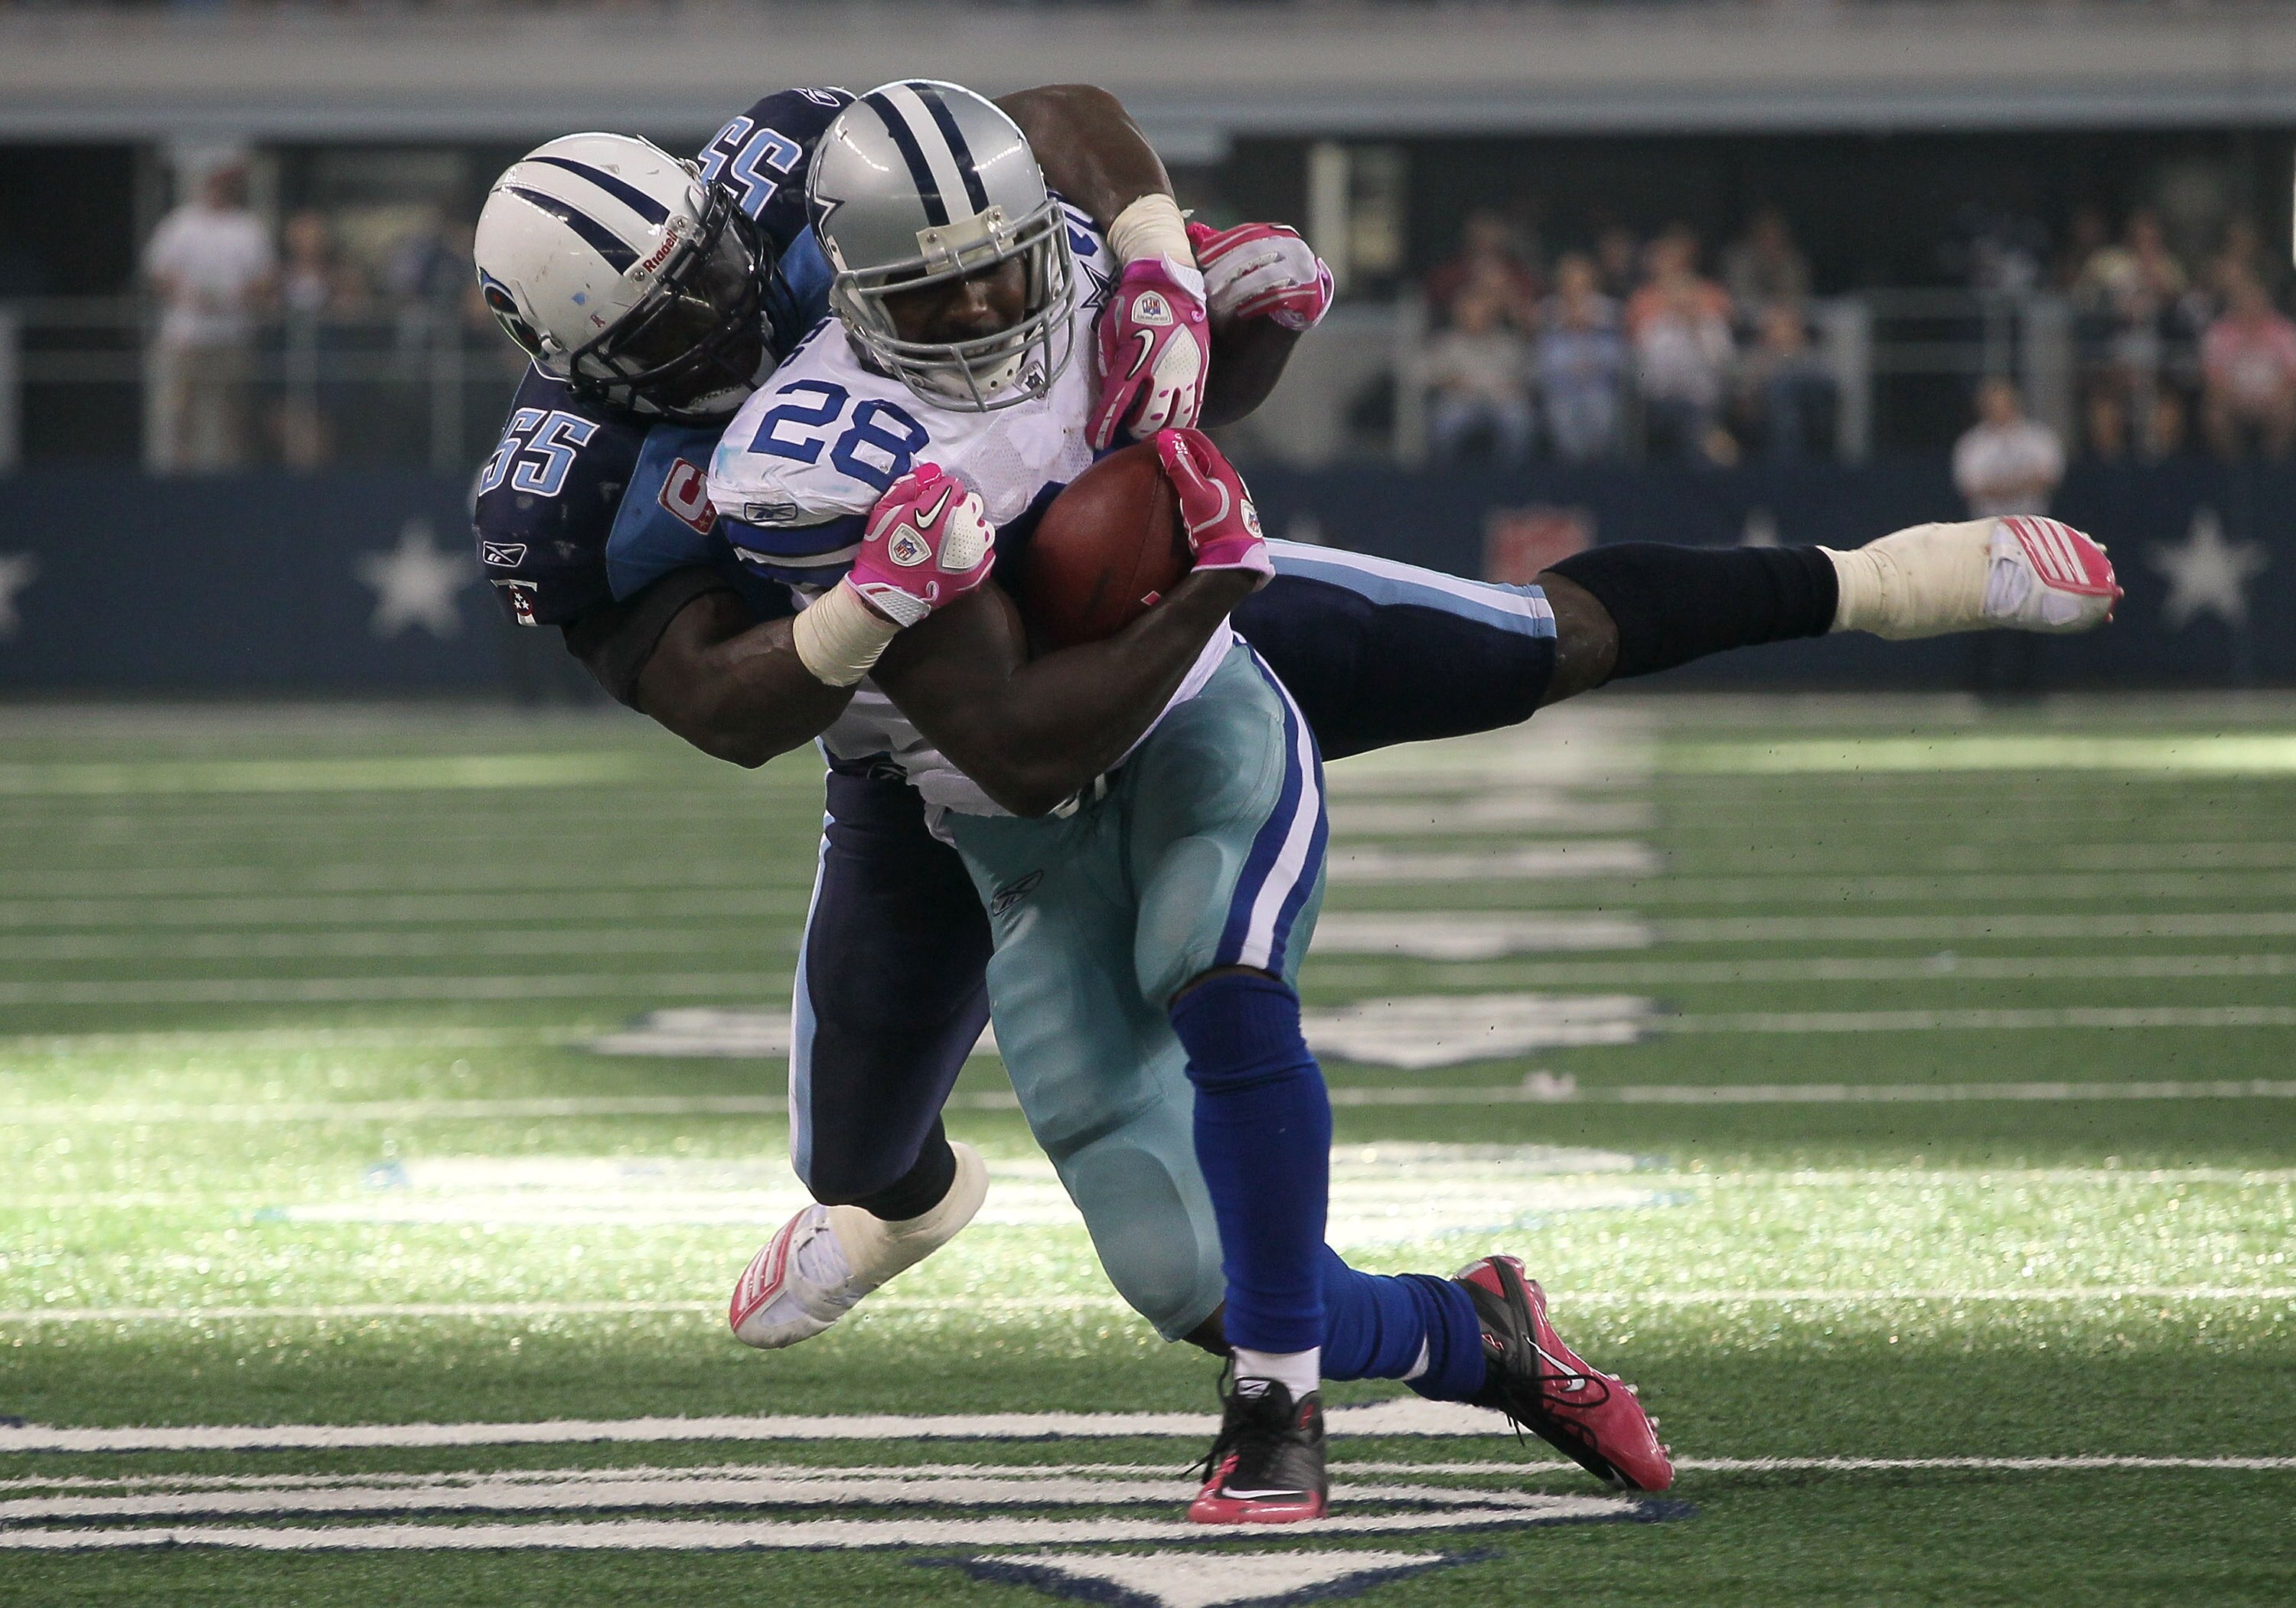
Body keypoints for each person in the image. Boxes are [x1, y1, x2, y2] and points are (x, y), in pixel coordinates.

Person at [703, 83, 2122, 1525]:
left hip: (1193, 672)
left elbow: (1066, 117)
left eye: (1011, 268)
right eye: (938, 299)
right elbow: (1003, 739)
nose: (992, 309)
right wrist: (1202, 565)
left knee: (1535, 642)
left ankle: (1892, 577)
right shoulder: (783, 443)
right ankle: (976, 1226)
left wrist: (1166, 277)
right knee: (925, 1178)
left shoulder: (1046, 244)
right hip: (961, 763)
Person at [142, 161, 276, 473]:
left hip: (232, 334)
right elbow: (158, 273)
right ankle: (182, 470)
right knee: (181, 408)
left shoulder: (247, 228)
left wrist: (235, 297)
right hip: (188, 335)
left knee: (232, 409)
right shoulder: (180, 224)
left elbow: (266, 278)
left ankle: (230, 469)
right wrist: (191, 298)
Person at [1626, 225, 1735, 464]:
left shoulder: (1710, 320)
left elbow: (1725, 363)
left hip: (1708, 400)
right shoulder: (1656, 324)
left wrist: (1695, 331)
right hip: (1664, 401)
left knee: (1700, 414)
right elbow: (1647, 373)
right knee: (1692, 420)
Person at [1424, 279, 1534, 464]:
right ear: (1460, 313)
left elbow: (1529, 374)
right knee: (1444, 425)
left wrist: (1515, 386)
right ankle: (1445, 479)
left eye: (1482, 312)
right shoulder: (1446, 343)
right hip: (1460, 400)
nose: (1476, 317)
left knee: (1521, 422)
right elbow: (1424, 374)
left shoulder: (1508, 343)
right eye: (1471, 311)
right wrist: (1447, 381)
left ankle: (1509, 479)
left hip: (1502, 400)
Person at [1534, 252, 1627, 462]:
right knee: (1567, 437)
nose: (1575, 287)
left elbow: (1619, 356)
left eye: (1581, 281)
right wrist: (1565, 324)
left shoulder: (1609, 310)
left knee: (1601, 420)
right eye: (1570, 281)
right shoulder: (1547, 311)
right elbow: (1542, 359)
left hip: (1600, 384)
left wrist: (1590, 326)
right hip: (1560, 385)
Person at [2200, 272, 2296, 460]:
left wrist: (2271, 400)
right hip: (2232, 400)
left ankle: (2273, 471)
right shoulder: (2220, 332)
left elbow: (2291, 376)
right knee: (2215, 415)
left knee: (2288, 411)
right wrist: (2238, 400)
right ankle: (2233, 471)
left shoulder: (2284, 331)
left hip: (2273, 400)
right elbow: (2213, 378)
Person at [1734, 300, 1837, 462]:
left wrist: (1792, 354)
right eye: (1777, 326)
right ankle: (1787, 461)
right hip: (1766, 415)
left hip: (1810, 414)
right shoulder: (1755, 356)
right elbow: (1743, 391)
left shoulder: (1809, 355)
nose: (1783, 331)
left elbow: (1828, 383)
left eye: (1788, 326)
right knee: (1781, 392)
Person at [1953, 377, 2064, 517]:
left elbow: (2049, 477)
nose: (1999, 410)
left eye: (2004, 404)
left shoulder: (2040, 438)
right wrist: (2015, 487)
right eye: (1993, 405)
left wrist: (2009, 489)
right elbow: (1970, 487)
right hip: (1987, 524)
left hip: (2034, 522)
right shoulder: (1971, 444)